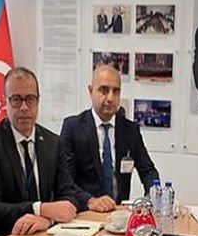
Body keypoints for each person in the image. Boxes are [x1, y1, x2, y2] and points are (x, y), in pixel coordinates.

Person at [0, 67, 82, 236]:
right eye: (16, 100)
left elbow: (70, 196)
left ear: (38, 101)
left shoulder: (53, 143)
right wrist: (39, 209)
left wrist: (47, 220)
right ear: (5, 102)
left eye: (30, 99)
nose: (24, 107)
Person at [60, 66, 160, 212]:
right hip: (85, 213)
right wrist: (90, 201)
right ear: (90, 91)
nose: (110, 98)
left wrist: (152, 197)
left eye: (116, 91)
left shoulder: (130, 130)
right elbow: (65, 181)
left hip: (119, 213)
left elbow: (148, 171)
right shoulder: (73, 128)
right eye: (104, 90)